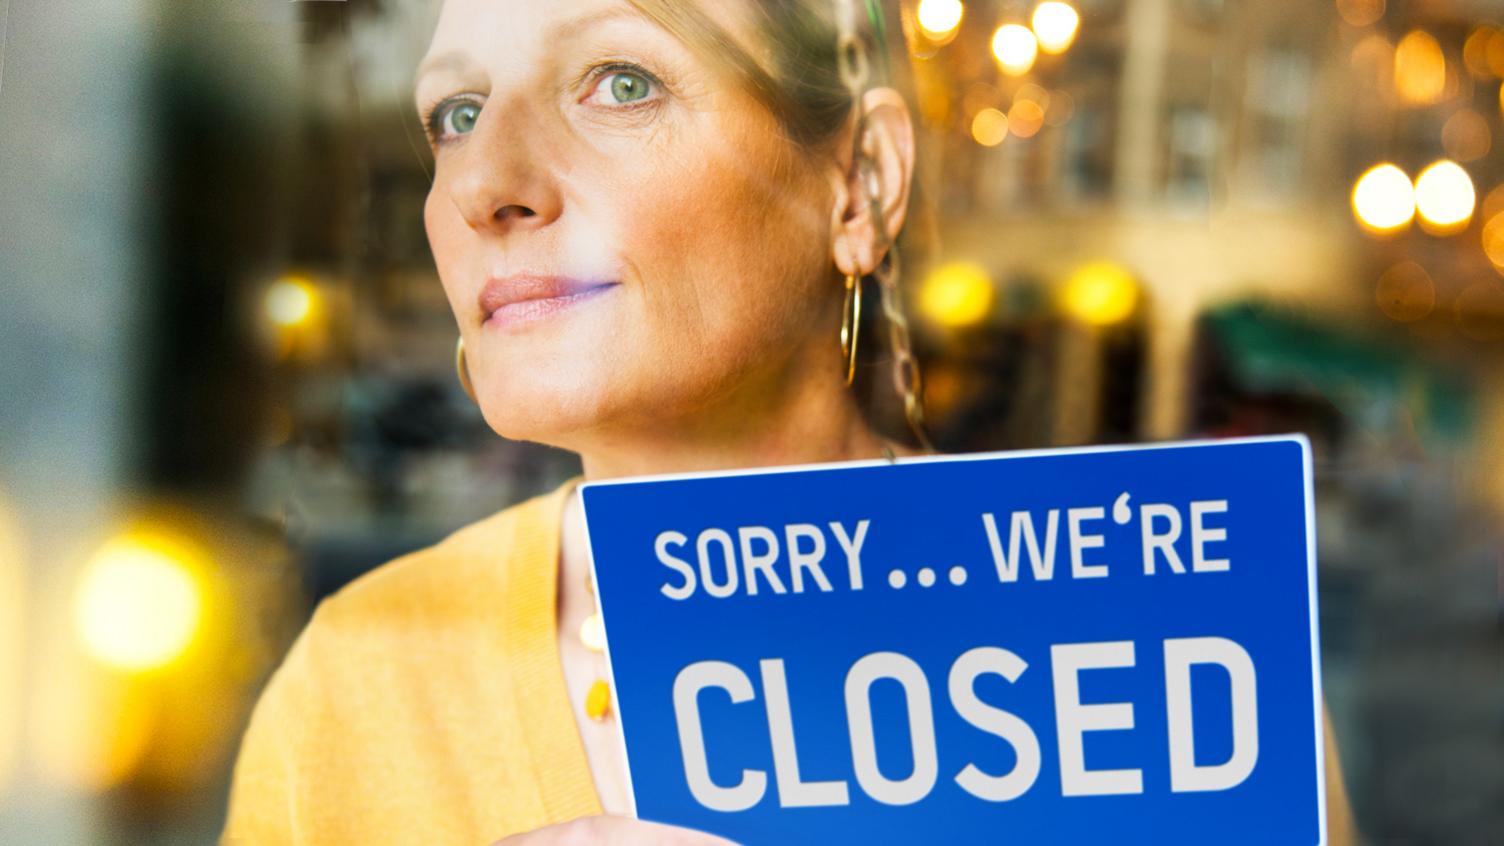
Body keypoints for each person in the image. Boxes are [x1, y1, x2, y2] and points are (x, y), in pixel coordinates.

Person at [221, 0, 1357, 843]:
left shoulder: (1178, 662)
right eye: (456, 114)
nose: (486, 185)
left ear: (858, 184)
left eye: (620, 82)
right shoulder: (353, 684)